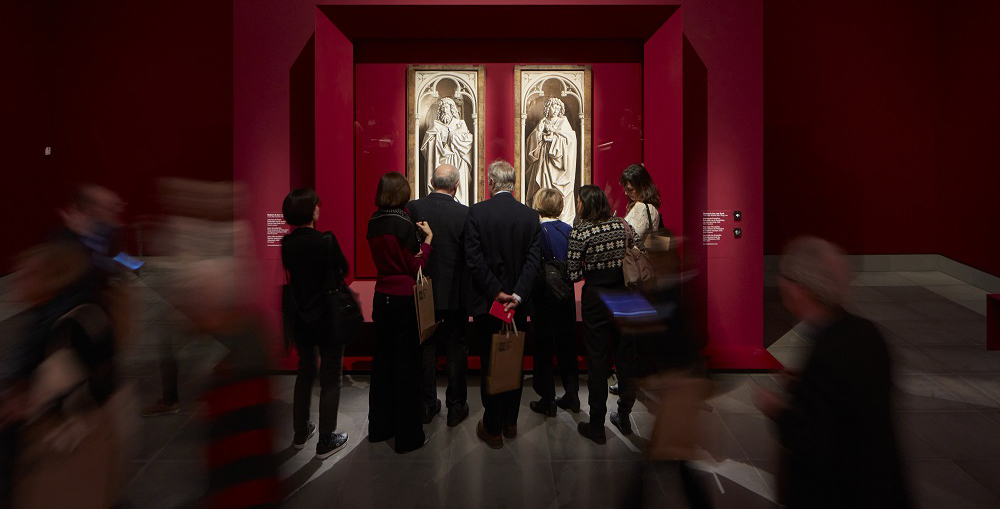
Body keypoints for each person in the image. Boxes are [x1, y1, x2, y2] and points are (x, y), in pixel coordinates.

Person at [752, 237, 909, 508]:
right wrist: (804, 383)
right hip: (882, 489)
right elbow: (851, 401)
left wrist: (776, 409)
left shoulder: (827, 349)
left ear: (800, 288)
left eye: (786, 278)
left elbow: (811, 440)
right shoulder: (866, 332)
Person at [465, 159, 542, 449]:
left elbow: (473, 258)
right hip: (517, 307)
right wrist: (517, 295)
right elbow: (533, 261)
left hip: (489, 304)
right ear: (513, 184)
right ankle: (510, 422)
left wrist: (496, 292)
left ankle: (493, 427)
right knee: (514, 361)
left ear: (491, 183)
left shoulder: (477, 212)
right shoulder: (529, 216)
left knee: (490, 363)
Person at [566, 185, 641, 444]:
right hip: (624, 295)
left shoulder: (581, 231)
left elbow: (573, 273)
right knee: (626, 358)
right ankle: (624, 415)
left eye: (578, 201)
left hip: (596, 298)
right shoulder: (622, 225)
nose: (577, 205)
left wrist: (591, 269)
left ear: (586, 204)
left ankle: (597, 425)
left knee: (597, 362)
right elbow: (639, 249)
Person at [280, 188, 350, 459]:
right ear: (309, 211)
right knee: (331, 377)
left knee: (305, 372)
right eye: (315, 205)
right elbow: (343, 269)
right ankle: (326, 439)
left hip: (301, 315)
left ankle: (300, 432)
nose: (319, 208)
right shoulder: (326, 240)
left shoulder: (287, 244)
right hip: (327, 315)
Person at [366, 172, 432, 454]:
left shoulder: (374, 221)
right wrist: (428, 241)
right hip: (404, 298)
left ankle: (380, 428)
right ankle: (408, 437)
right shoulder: (403, 223)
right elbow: (416, 266)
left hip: (381, 295)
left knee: (382, 364)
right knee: (408, 368)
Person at [406, 164, 472, 427]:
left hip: (424, 290)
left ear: (432, 182)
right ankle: (456, 407)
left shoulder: (414, 208)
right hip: (456, 293)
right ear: (456, 186)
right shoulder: (465, 213)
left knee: (426, 349)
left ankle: (426, 404)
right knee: (457, 351)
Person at [527, 188, 580, 417]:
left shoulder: (537, 231)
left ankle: (547, 398)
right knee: (568, 345)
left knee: (544, 346)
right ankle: (572, 395)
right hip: (566, 293)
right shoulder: (569, 230)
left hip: (544, 294)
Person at [526, 98, 577, 224]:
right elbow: (532, 140)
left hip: (557, 165)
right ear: (548, 108)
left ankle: (559, 216)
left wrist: (554, 139)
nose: (555, 110)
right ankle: (542, 213)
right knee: (542, 186)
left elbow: (570, 140)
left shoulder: (563, 122)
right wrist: (539, 133)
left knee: (557, 190)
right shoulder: (543, 121)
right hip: (544, 161)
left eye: (558, 108)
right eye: (553, 107)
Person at [421, 97, 474, 205]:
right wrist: (439, 137)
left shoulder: (460, 124)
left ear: (452, 109)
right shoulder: (435, 126)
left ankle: (459, 202)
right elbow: (426, 146)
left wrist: (453, 137)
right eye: (443, 108)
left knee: (457, 182)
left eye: (447, 107)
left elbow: (468, 142)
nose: (445, 110)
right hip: (439, 160)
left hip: (456, 161)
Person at [620, 164, 662, 240]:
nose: (626, 193)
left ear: (642, 187)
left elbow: (632, 238)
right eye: (625, 189)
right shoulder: (651, 207)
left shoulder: (641, 207)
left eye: (630, 190)